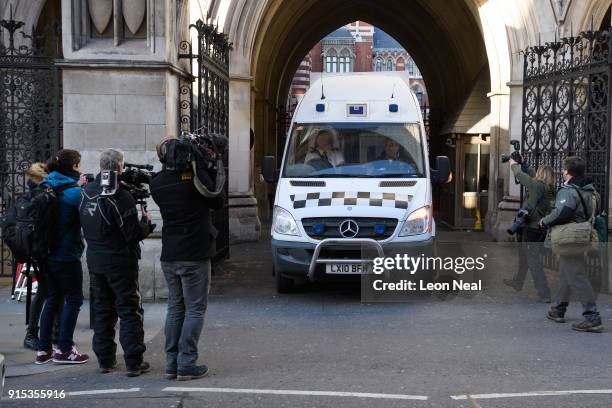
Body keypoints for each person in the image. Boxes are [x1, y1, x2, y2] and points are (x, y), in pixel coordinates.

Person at [150, 137, 223, 381]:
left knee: (175, 307)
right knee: (195, 309)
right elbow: (217, 199)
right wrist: (204, 164)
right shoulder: (195, 180)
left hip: (170, 253)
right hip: (194, 253)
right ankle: (186, 362)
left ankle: (172, 363)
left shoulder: (157, 182)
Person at [79, 149, 155, 376]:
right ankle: (133, 361)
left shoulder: (86, 191)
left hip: (95, 259)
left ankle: (105, 360)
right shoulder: (120, 195)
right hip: (120, 261)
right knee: (129, 309)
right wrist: (146, 224)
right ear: (120, 168)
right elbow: (131, 234)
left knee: (102, 309)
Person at [35, 150, 89, 365]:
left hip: (45, 253)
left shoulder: (45, 184)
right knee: (73, 300)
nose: (80, 169)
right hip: (66, 254)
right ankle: (65, 348)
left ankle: (43, 349)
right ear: (73, 167)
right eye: (78, 165)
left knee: (52, 299)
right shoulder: (74, 193)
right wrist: (83, 189)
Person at [539, 156, 603, 333]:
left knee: (576, 275)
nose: (562, 172)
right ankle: (558, 309)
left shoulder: (569, 191)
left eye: (564, 169)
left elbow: (562, 213)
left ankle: (592, 317)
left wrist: (545, 221)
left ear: (568, 172)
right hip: (582, 236)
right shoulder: (592, 191)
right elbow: (598, 211)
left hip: (569, 237)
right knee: (568, 273)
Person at [22, 162, 62, 350]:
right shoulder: (44, 195)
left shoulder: (30, 195)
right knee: (47, 292)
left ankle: (44, 332)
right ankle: (37, 333)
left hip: (35, 249)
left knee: (46, 291)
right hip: (44, 250)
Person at [503, 160, 555, 302]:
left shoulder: (536, 186)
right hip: (539, 228)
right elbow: (532, 174)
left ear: (541, 175)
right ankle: (518, 282)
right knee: (524, 255)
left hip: (531, 228)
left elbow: (520, 175)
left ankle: (544, 293)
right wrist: (524, 163)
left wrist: (513, 164)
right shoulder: (549, 188)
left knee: (533, 260)